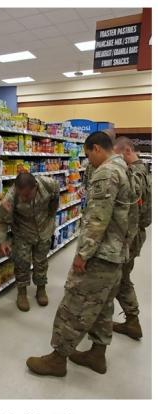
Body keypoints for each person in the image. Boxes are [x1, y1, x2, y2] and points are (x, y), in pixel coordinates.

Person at [26, 131, 131, 377]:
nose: (88, 161)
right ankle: (97, 354)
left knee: (74, 303)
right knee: (103, 305)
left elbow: (97, 219)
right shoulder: (123, 167)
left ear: (96, 148)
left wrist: (83, 254)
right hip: (115, 253)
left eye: (87, 155)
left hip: (100, 255)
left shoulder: (106, 172)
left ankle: (57, 359)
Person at [0, 172, 60, 312]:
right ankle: (22, 293)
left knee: (41, 261)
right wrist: (3, 241)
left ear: (35, 187)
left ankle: (41, 289)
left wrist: (51, 215)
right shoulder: (11, 197)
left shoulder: (49, 185)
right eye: (20, 195)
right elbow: (2, 222)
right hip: (22, 233)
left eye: (26, 195)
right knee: (22, 263)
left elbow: (55, 198)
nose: (23, 198)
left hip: (44, 230)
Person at [112, 136, 151, 339]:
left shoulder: (134, 174)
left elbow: (130, 209)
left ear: (127, 151)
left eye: (117, 156)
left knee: (121, 279)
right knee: (121, 278)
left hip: (130, 236)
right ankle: (132, 320)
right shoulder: (143, 169)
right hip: (136, 233)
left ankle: (132, 320)